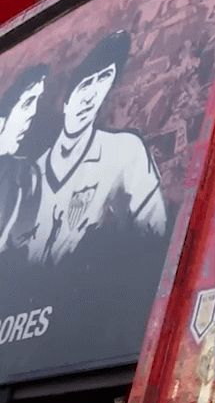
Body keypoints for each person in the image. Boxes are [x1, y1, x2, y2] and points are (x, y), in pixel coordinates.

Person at [26, 30, 166, 265]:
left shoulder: (125, 151)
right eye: (85, 84)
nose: (92, 95)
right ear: (65, 100)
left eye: (104, 79)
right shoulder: (31, 177)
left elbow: (156, 236)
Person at [0, 64, 48, 253]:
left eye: (37, 101)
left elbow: (20, 250)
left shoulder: (26, 176)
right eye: (27, 103)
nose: (32, 113)